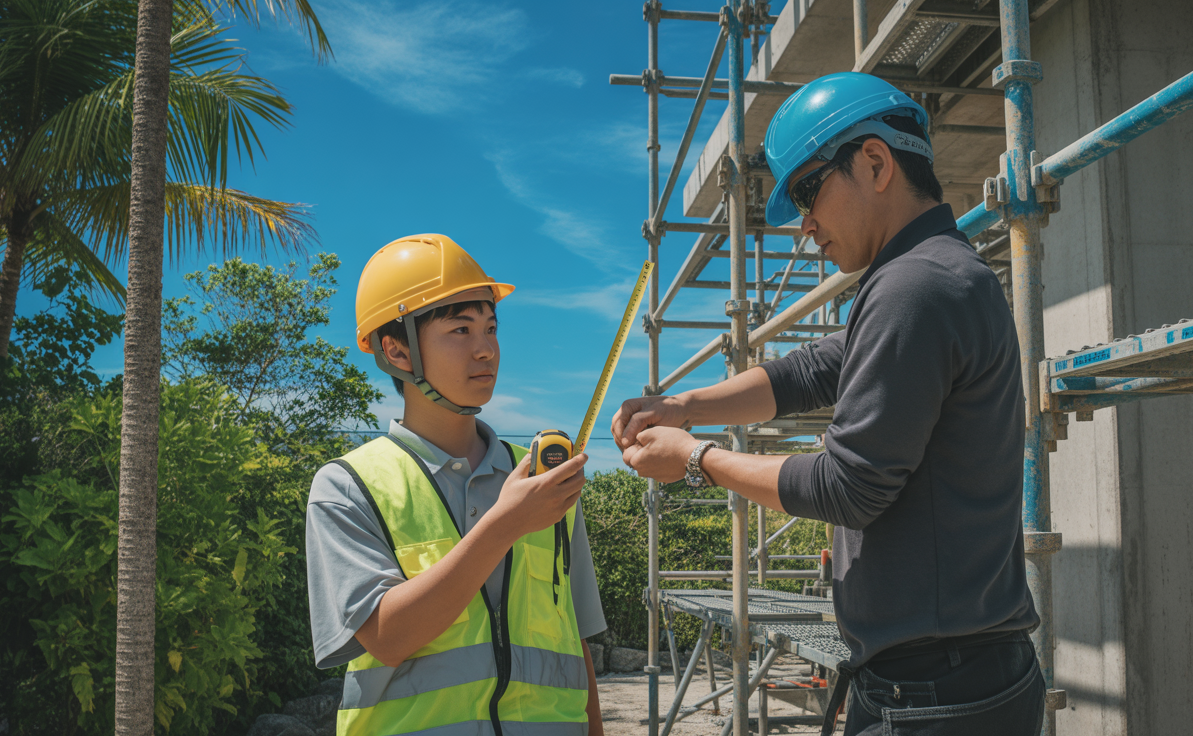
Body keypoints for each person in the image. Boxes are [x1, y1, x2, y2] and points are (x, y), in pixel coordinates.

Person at [613, 73, 1043, 736]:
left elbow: (848, 487)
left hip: (935, 694)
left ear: (874, 162)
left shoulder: (914, 287)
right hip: (953, 676)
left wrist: (696, 458)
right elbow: (812, 371)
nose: (804, 224)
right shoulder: (932, 273)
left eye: (810, 191)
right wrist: (684, 405)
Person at [306, 234, 605, 736]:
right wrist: (505, 525)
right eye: (461, 329)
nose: (487, 349)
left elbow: (573, 642)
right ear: (396, 350)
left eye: (490, 327)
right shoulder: (348, 486)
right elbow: (386, 636)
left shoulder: (539, 475)